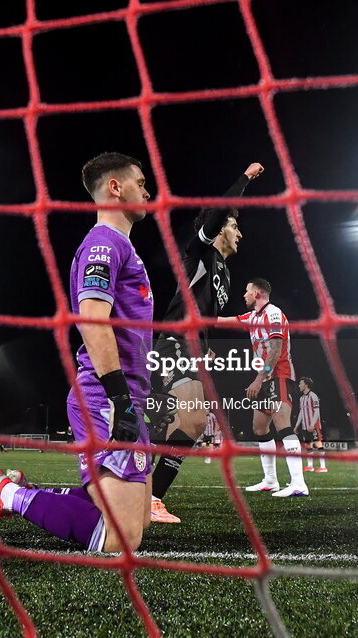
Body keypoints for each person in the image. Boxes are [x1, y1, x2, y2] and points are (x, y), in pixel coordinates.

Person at [0, 152, 155, 553]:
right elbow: (93, 319)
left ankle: (16, 491)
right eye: (141, 182)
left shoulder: (121, 247)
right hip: (108, 396)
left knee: (139, 518)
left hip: (125, 396)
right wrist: (119, 398)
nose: (147, 192)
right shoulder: (103, 243)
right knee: (121, 540)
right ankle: (7, 494)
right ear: (115, 187)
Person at [149, 162, 264, 524]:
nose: (239, 234)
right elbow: (215, 212)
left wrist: (206, 342)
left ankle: (142, 491)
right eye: (234, 226)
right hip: (173, 343)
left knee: (189, 426)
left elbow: (202, 311)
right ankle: (147, 495)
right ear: (215, 232)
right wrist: (243, 178)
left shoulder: (225, 273)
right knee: (195, 419)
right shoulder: (199, 255)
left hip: (191, 347)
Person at [220, 278, 307, 497]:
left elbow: (276, 349)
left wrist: (259, 378)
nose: (244, 295)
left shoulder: (274, 313)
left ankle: (298, 483)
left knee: (282, 425)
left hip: (280, 375)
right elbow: (224, 321)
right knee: (259, 427)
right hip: (266, 378)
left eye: (247, 291)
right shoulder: (252, 317)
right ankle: (270, 480)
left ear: (257, 293)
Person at [296, 377, 327, 473]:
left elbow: (317, 412)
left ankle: (323, 467)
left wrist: (312, 424)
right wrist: (297, 426)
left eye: (301, 383)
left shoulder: (313, 396)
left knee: (318, 444)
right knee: (308, 445)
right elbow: (301, 413)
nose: (299, 385)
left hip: (314, 426)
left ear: (306, 385)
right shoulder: (302, 398)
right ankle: (310, 466)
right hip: (305, 426)